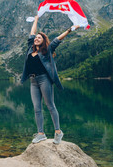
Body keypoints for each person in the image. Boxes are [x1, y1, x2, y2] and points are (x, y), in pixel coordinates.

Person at [21, 15, 79, 145]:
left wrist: (70, 30)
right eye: (36, 37)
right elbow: (32, 32)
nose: (36, 38)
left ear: (43, 41)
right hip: (33, 82)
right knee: (37, 108)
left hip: (44, 80)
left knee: (50, 106)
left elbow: (58, 39)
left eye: (39, 38)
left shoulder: (47, 50)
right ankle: (41, 134)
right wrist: (36, 19)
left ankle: (58, 132)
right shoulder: (30, 48)